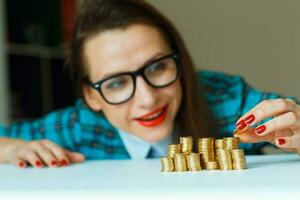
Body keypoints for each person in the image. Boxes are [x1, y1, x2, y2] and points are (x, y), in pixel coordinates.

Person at [0, 0, 299, 169]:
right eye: (116, 83)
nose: (146, 99)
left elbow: (293, 118)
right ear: (92, 96)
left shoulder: (227, 101)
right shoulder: (82, 124)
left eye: (157, 67)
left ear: (179, 63)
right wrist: (11, 148)